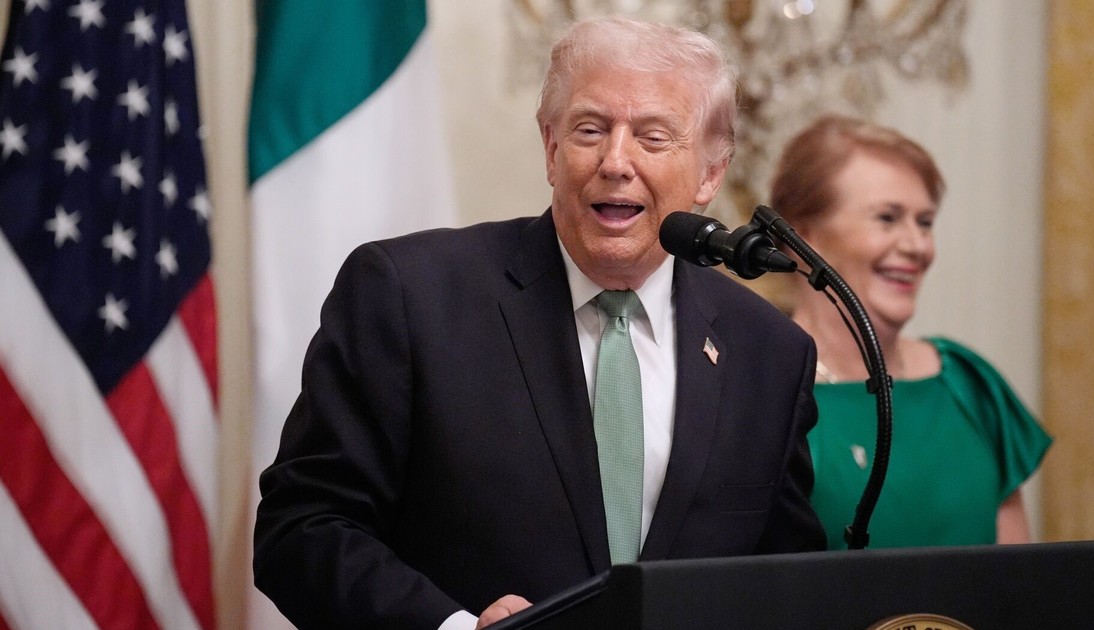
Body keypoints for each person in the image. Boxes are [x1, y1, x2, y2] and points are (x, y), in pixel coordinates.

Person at [254, 17, 826, 630]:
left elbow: (789, 582)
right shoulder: (408, 295)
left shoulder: (769, 352)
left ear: (711, 173)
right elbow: (303, 528)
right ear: (552, 149)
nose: (616, 161)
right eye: (590, 129)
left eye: (653, 138)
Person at [769, 114, 1052, 550]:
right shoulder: (764, 397)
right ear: (802, 238)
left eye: (925, 222)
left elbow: (1022, 581)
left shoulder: (968, 386)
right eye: (887, 218)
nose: (917, 246)